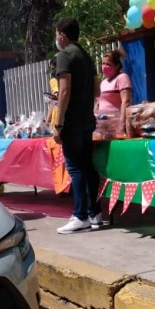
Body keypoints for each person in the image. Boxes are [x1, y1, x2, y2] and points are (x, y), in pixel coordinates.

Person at [53, 16, 102, 234]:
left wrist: (59, 122)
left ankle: (80, 215)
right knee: (88, 166)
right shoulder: (86, 55)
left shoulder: (65, 55)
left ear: (62, 34)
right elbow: (97, 90)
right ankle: (95, 213)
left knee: (75, 168)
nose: (56, 39)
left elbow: (64, 90)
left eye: (56, 34)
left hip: (72, 121)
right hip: (87, 120)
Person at [96, 48, 132, 137]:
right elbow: (98, 103)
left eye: (108, 64)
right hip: (103, 125)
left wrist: (122, 124)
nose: (104, 66)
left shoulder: (122, 78)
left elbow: (126, 102)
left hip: (116, 125)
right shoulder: (103, 82)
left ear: (116, 66)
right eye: (103, 63)